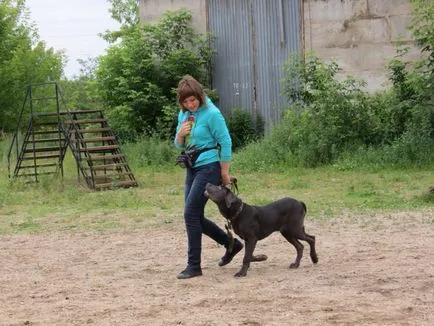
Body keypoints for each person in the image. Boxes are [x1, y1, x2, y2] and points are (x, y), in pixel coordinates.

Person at [174, 75, 243, 279]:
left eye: (193, 100)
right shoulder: (184, 115)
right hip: (192, 167)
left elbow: (226, 142)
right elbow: (179, 144)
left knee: (190, 214)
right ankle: (231, 244)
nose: (190, 104)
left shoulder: (212, 114)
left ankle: (194, 266)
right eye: (185, 102)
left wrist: (224, 172)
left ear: (200, 96)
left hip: (209, 167)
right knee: (193, 215)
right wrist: (179, 134)